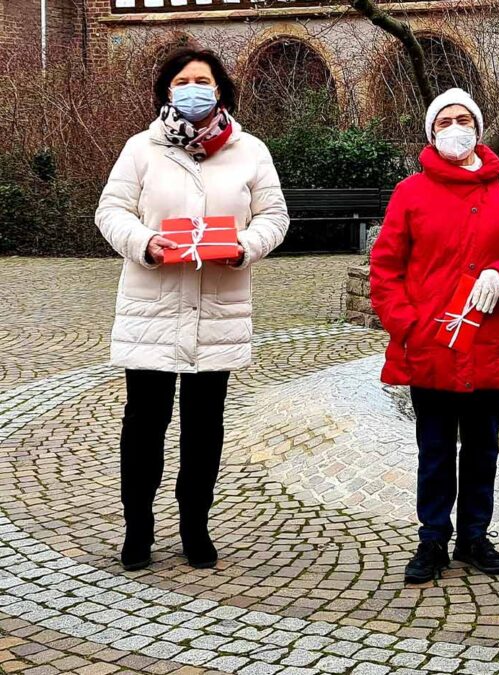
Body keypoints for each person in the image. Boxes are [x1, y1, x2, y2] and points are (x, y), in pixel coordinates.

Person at [96, 48, 289, 572]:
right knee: (144, 423)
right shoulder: (142, 148)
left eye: (202, 80)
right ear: (166, 90)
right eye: (182, 80)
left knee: (205, 426)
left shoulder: (250, 150)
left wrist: (244, 246)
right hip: (152, 306)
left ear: (220, 88)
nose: (193, 88)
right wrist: (145, 242)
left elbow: (275, 216)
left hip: (219, 305)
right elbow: (110, 210)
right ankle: (138, 528)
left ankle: (194, 527)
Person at [370, 88, 499, 584]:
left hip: (488, 342)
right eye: (445, 120)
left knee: (482, 448)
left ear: (478, 127)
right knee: (434, 450)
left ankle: (474, 535)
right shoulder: (411, 193)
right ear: (431, 132)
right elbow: (385, 270)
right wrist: (409, 325)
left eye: (463, 119)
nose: (455, 128)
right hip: (431, 345)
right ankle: (432, 539)